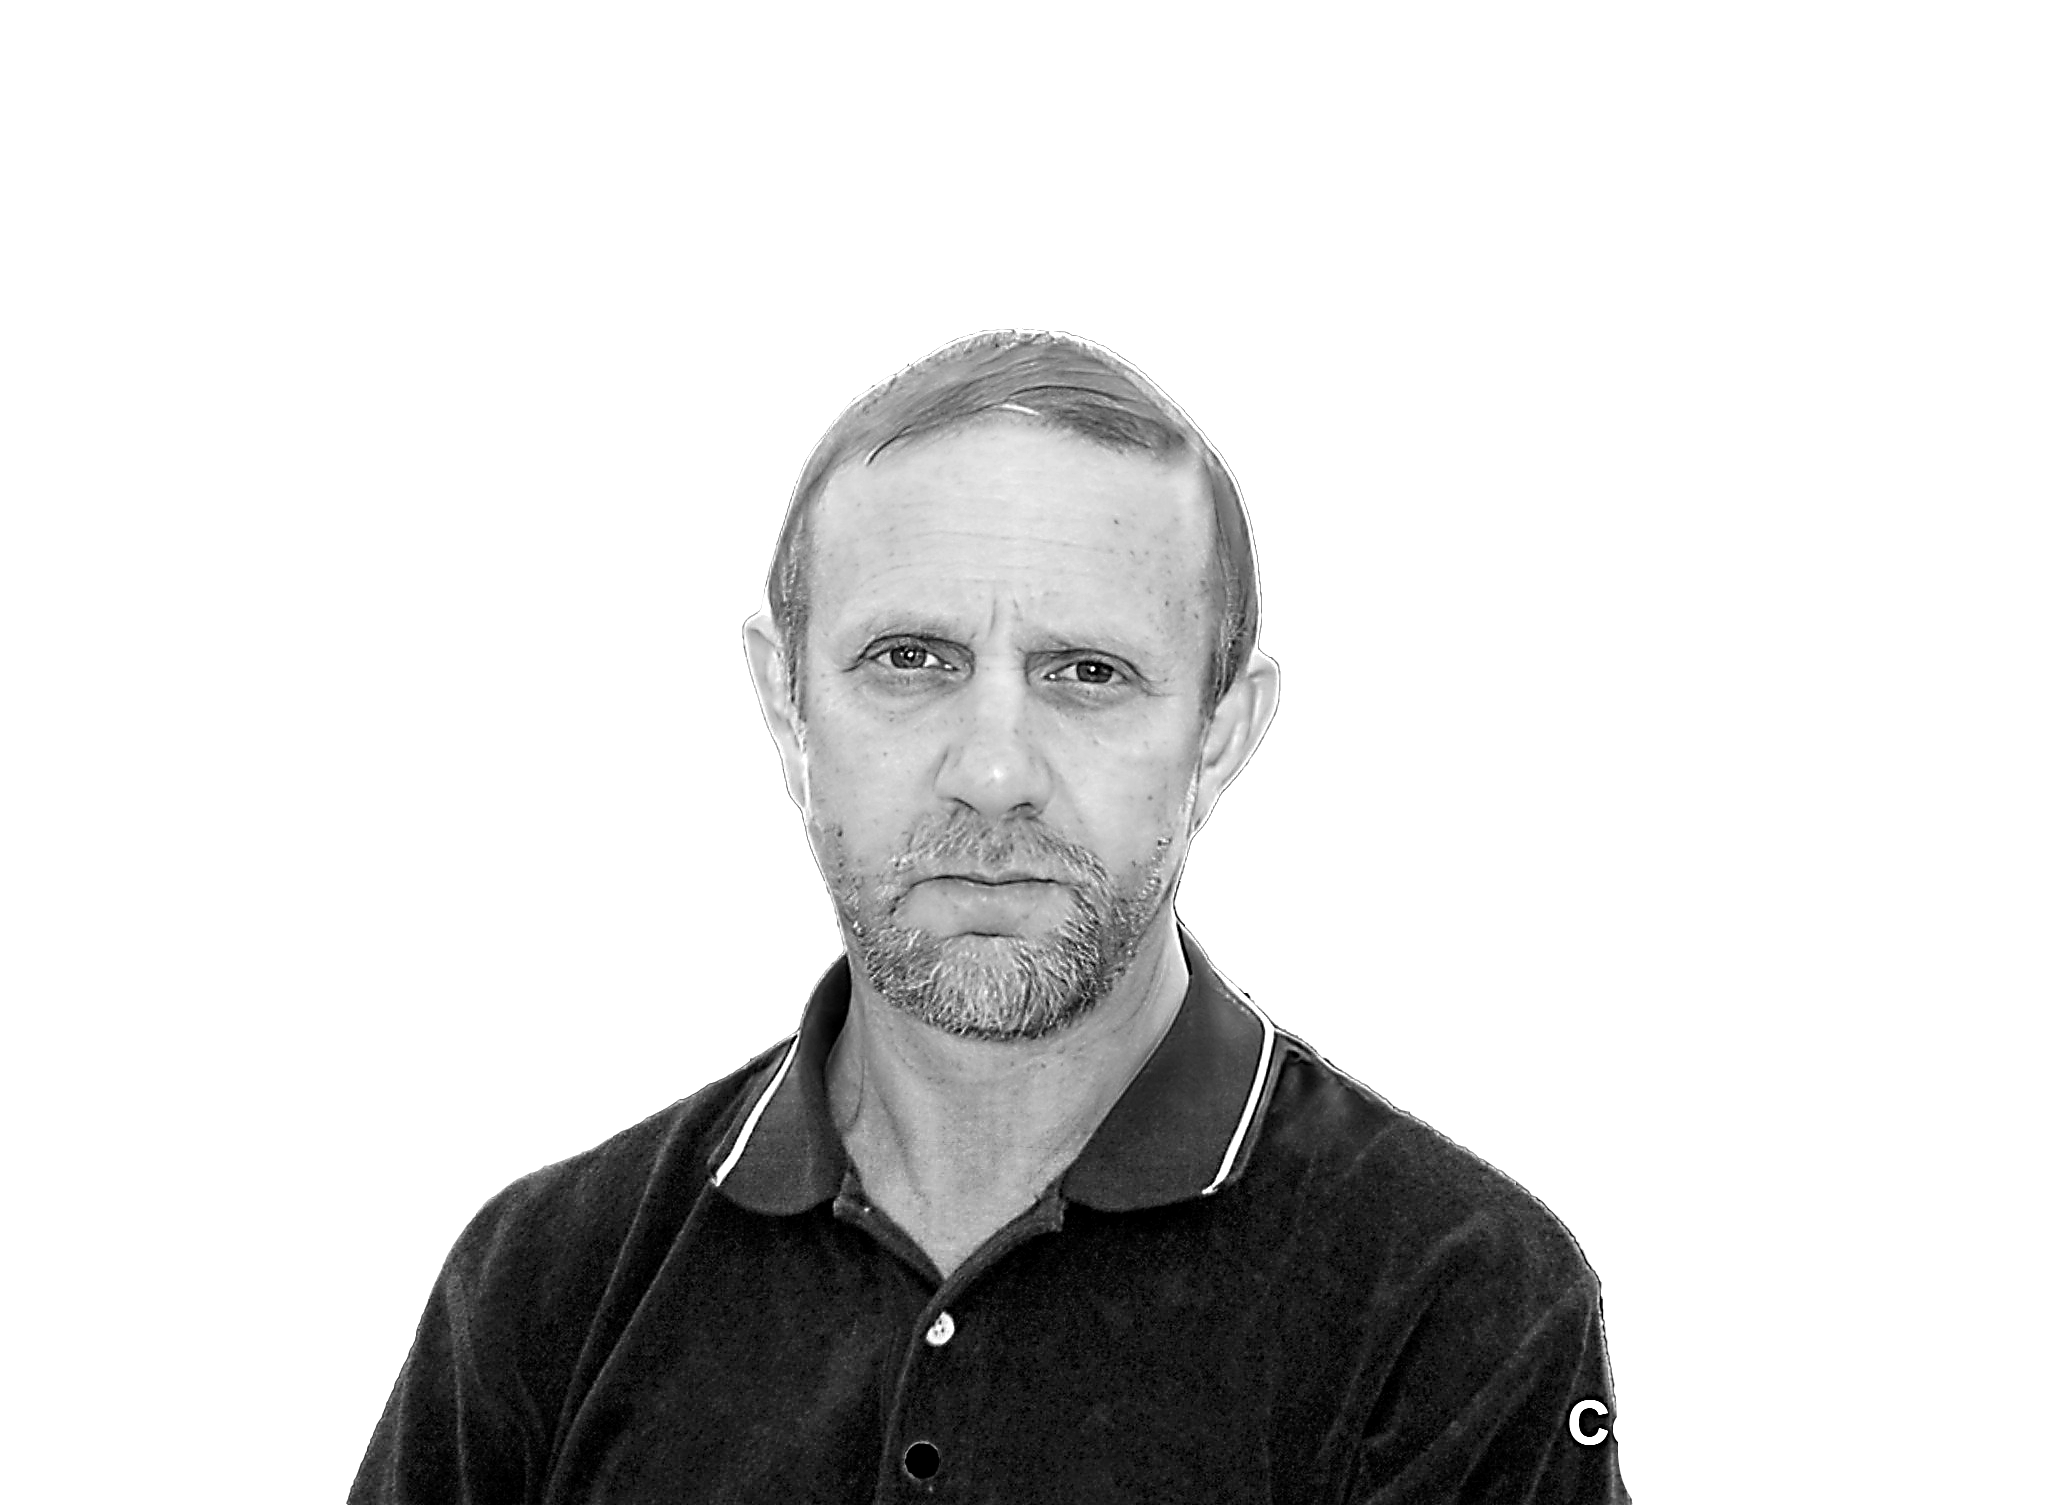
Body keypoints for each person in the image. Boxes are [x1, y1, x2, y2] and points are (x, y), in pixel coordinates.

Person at [352, 328, 1622, 1503]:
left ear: (1219, 733)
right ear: (786, 704)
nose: (995, 769)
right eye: (910, 659)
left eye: (1088, 672)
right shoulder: (539, 1285)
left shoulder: (1462, 1302)